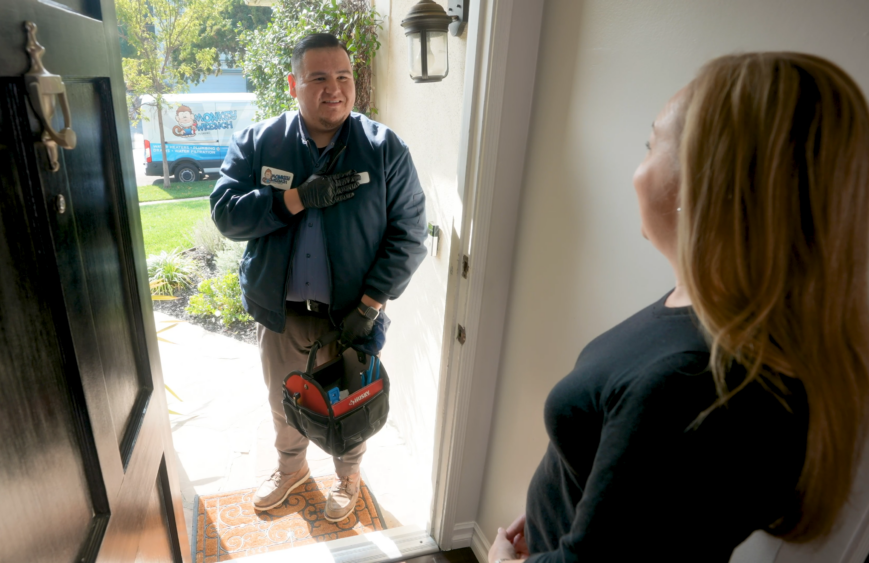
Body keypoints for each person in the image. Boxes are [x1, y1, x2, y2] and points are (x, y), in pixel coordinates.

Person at [488, 52, 869, 563]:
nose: (635, 172)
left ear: (704, 185)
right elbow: (637, 512)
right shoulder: (720, 307)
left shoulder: (693, 387)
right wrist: (556, 501)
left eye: (651, 145)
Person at [210, 33, 427, 522]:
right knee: (285, 399)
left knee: (352, 404)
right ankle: (292, 469)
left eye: (344, 77)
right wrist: (297, 198)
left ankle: (348, 474)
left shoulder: (383, 148)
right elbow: (226, 215)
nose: (335, 89)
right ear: (293, 83)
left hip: (351, 315)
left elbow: (409, 234)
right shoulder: (260, 142)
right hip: (281, 314)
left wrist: (370, 306)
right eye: (320, 78)